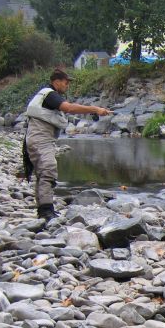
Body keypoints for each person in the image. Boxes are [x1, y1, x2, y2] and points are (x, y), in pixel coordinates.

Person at [23, 68, 112, 221]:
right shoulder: (50, 95)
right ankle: (46, 211)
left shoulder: (47, 95)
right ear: (57, 82)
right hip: (40, 139)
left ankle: (44, 208)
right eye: (66, 82)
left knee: (43, 172)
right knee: (48, 170)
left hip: (38, 138)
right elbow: (69, 108)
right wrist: (95, 109)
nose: (67, 85)